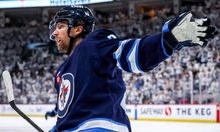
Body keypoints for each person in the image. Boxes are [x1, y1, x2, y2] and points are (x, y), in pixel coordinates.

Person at [46, 5, 217, 132]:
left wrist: (168, 39)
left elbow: (130, 53)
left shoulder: (94, 42)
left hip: (99, 127)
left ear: (77, 29)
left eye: (60, 26)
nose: (54, 33)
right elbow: (68, 114)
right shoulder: (61, 72)